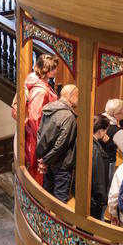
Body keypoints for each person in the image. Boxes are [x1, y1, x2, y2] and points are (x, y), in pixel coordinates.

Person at [15, 54, 59, 184]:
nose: (56, 70)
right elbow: (35, 117)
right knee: (36, 173)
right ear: (46, 71)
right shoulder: (40, 90)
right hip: (36, 136)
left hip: (34, 133)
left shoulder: (34, 80)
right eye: (54, 68)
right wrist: (42, 140)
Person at [36, 84, 79, 202]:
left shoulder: (48, 107)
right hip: (62, 164)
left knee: (47, 195)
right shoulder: (68, 116)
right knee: (60, 199)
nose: (79, 99)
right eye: (77, 96)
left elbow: (40, 133)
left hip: (48, 160)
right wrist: (45, 161)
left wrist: (44, 159)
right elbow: (61, 144)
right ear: (70, 97)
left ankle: (44, 220)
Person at [101, 99, 123, 194]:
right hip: (108, 161)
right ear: (116, 114)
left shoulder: (98, 118)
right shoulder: (117, 131)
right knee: (107, 186)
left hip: (94, 158)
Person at [91, 114, 111, 221]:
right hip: (94, 199)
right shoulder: (96, 150)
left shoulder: (85, 140)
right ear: (100, 131)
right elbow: (98, 178)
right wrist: (103, 199)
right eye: (105, 130)